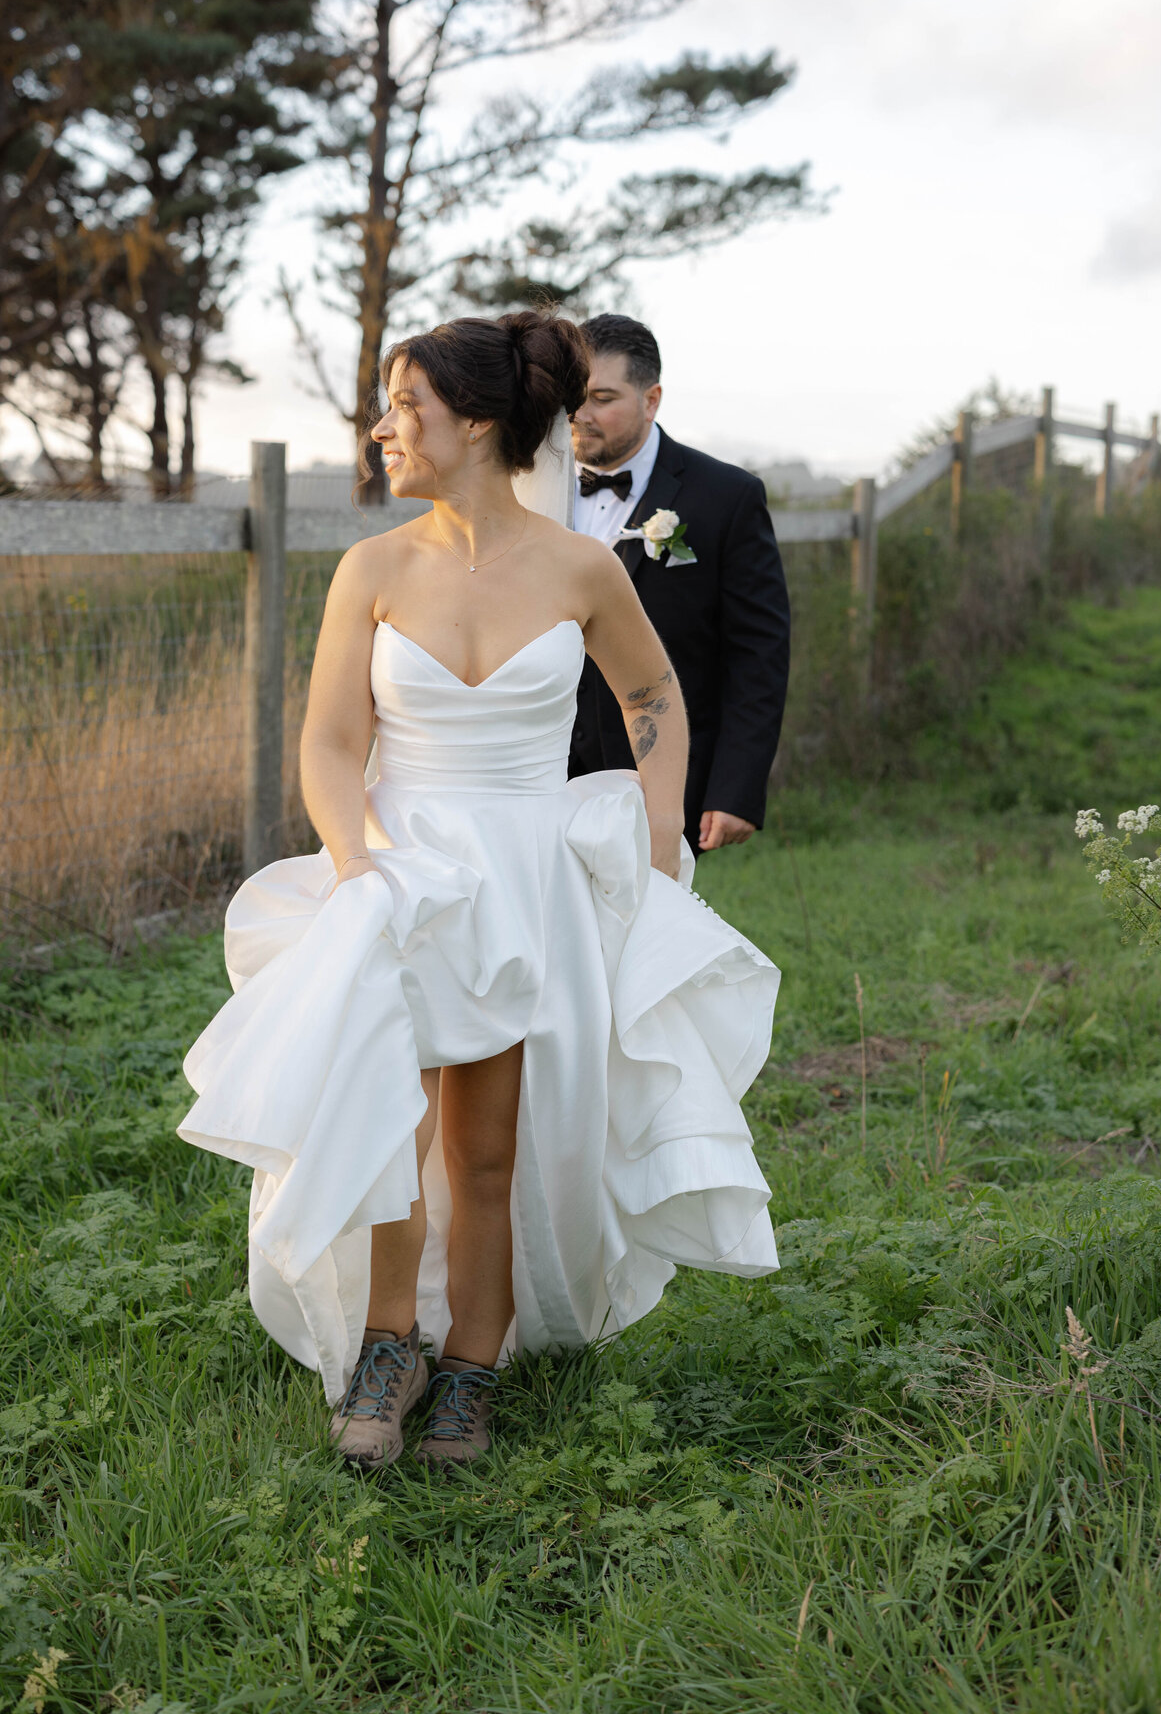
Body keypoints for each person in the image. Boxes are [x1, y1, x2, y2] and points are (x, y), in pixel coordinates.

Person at [178, 311, 779, 1473]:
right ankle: (388, 1346)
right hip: (399, 871)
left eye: (405, 409)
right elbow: (331, 739)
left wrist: (659, 837)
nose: (381, 429)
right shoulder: (373, 568)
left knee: (486, 1145)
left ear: (480, 424)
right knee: (387, 1122)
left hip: (520, 875)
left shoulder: (579, 567)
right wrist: (357, 865)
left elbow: (655, 696)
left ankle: (475, 1361)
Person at [569, 315, 791, 858]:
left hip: (665, 779)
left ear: (652, 399)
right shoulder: (529, 488)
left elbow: (757, 652)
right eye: (572, 397)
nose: (580, 414)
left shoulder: (726, 497)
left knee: (654, 937)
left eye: (602, 397)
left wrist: (735, 787)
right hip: (545, 770)